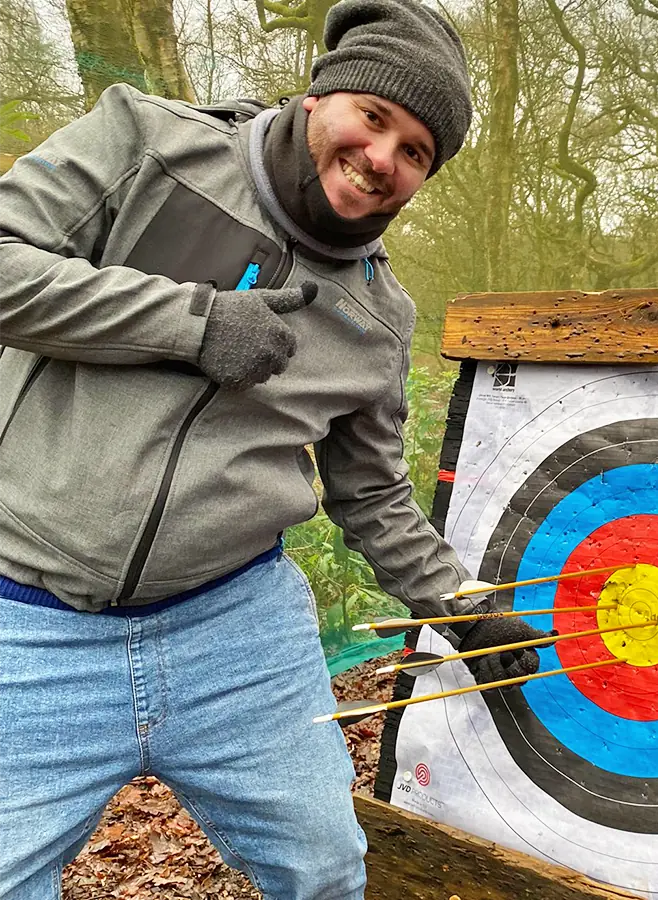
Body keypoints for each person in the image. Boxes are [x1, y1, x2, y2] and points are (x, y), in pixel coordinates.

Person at [0, 1, 549, 897]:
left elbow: (369, 493)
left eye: (416, 152)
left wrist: (458, 607)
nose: (382, 160)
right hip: (27, 625)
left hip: (236, 629)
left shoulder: (378, 320)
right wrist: (189, 322)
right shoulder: (148, 144)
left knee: (327, 872)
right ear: (316, 98)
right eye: (374, 118)